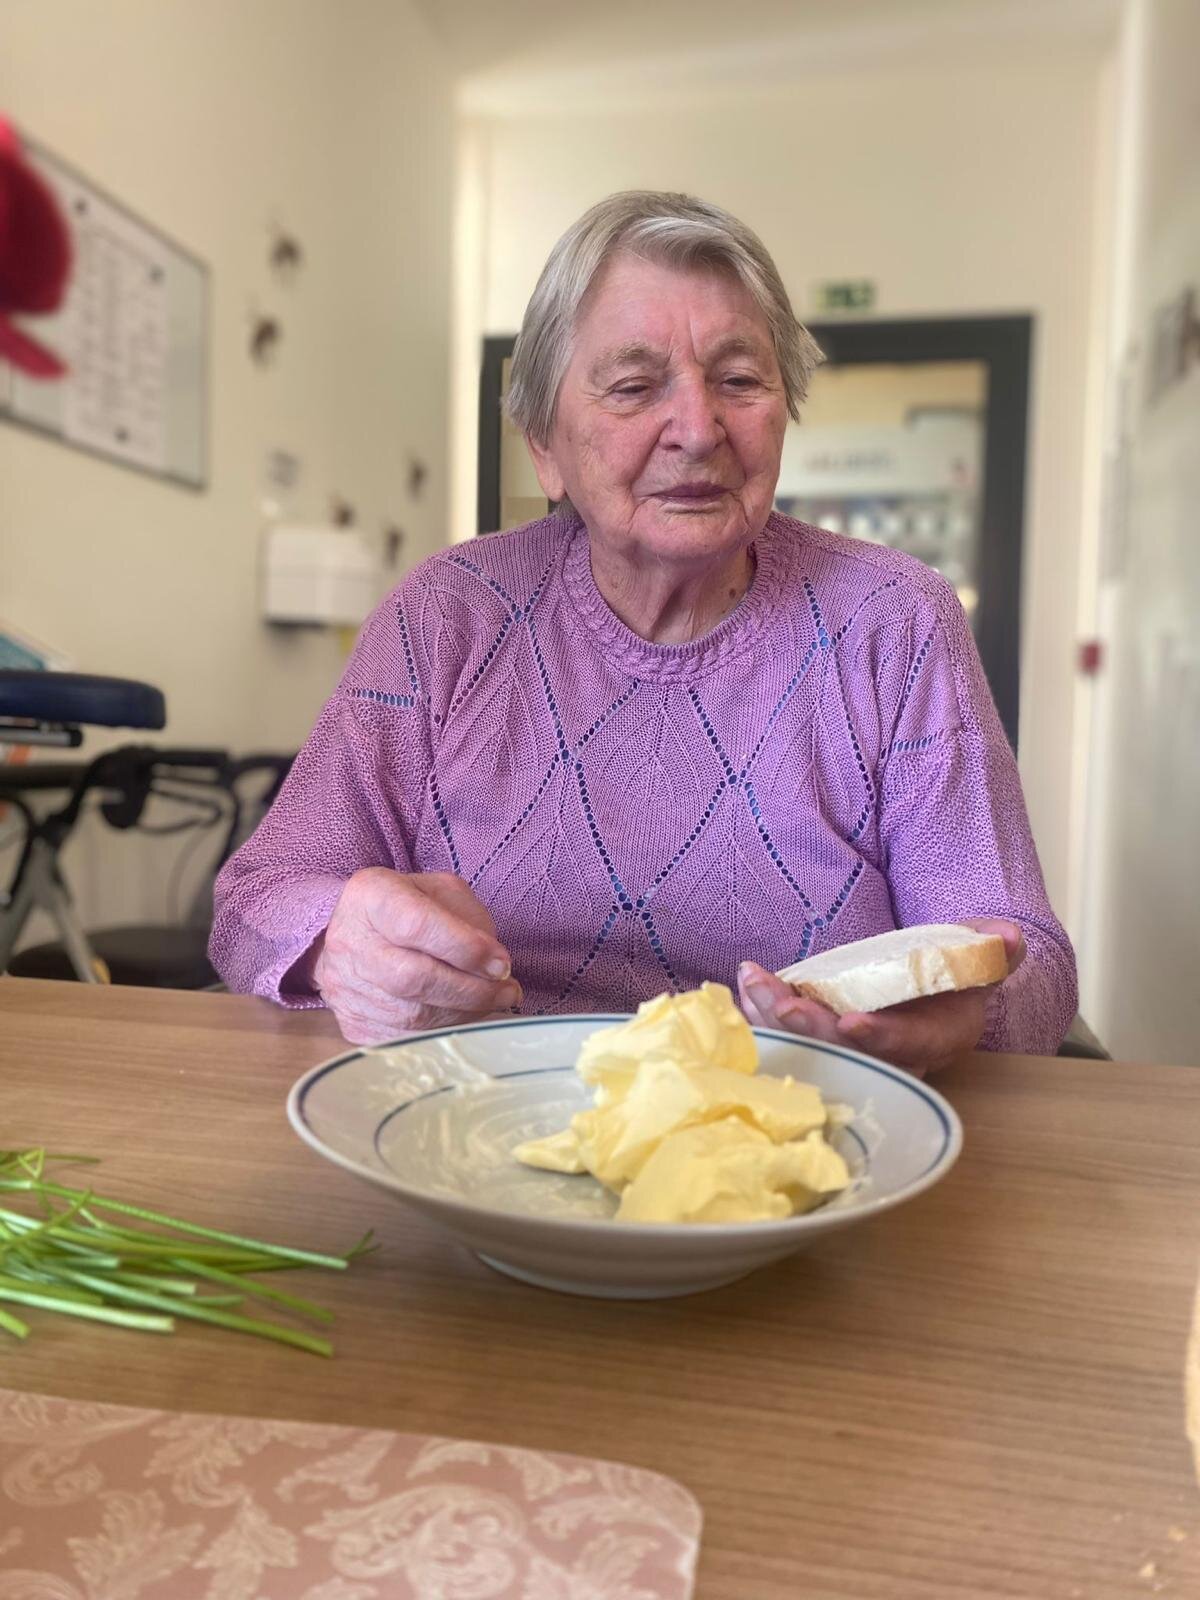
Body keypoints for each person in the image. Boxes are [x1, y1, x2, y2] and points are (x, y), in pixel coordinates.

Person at [210, 190, 1076, 1073]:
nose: (698, 430)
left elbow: (1031, 959)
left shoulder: (895, 621)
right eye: (633, 387)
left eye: (739, 380)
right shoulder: (446, 617)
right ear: (544, 445)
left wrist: (963, 1014)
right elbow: (253, 901)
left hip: (798, 1114)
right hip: (483, 1114)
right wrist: (339, 943)